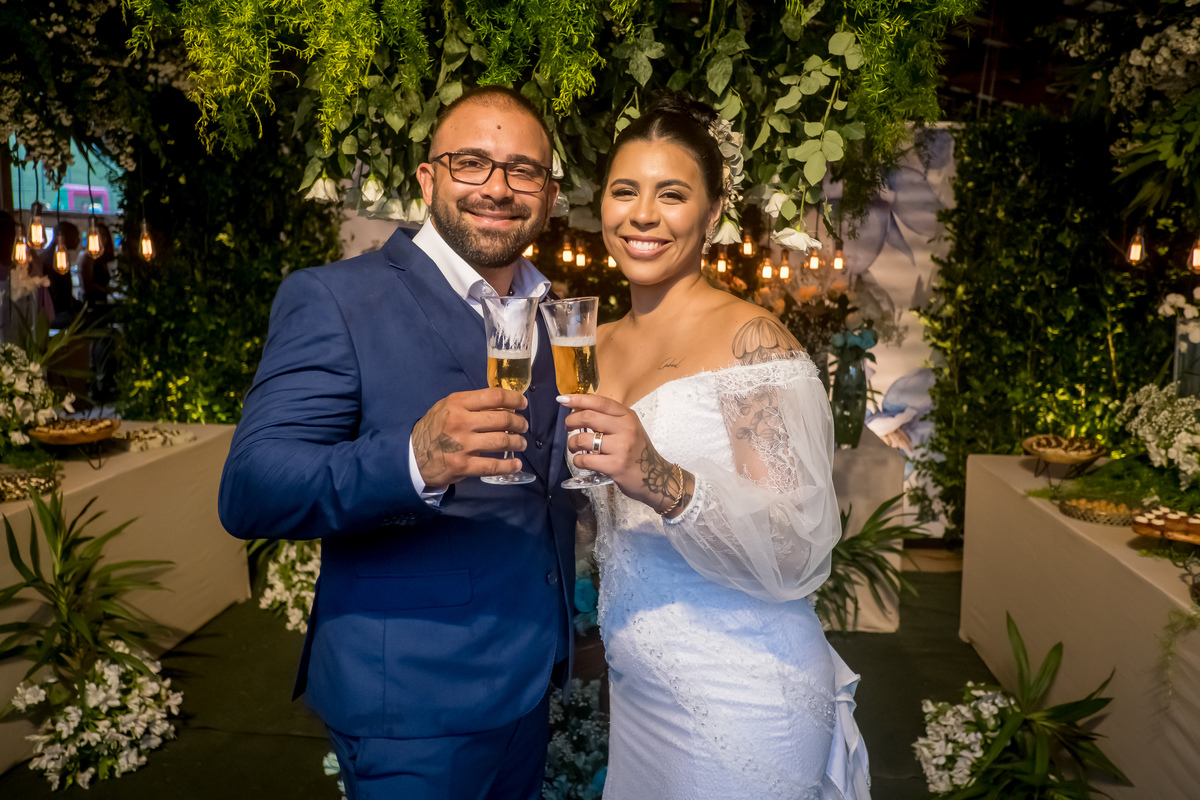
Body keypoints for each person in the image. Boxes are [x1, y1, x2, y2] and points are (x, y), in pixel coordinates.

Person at [218, 86, 577, 800]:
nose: (497, 188)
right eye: (471, 162)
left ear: (549, 193)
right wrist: (413, 457)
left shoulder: (552, 310)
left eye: (522, 170)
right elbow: (251, 488)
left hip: (530, 685)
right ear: (427, 178)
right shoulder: (334, 299)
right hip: (409, 702)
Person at [557, 92, 871, 799]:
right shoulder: (594, 345)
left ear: (713, 215)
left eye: (671, 195)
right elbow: (598, 524)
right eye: (624, 191)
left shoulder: (749, 343)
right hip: (639, 688)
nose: (642, 215)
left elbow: (795, 548)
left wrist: (659, 476)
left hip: (745, 690)